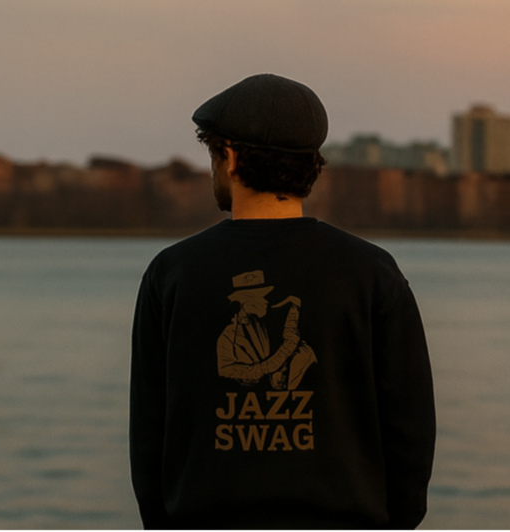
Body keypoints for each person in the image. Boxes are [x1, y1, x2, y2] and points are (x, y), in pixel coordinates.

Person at [129, 73, 436, 531]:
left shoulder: (170, 274)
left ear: (229, 158)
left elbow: (149, 437)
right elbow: (411, 435)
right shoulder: (373, 272)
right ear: (310, 165)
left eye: (212, 154)